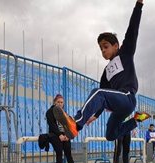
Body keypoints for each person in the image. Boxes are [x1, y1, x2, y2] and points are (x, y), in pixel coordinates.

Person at [58, 0, 150, 141]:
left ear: (116, 46)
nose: (103, 50)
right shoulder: (106, 72)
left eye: (105, 46)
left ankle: (75, 124)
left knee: (98, 92)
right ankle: (136, 120)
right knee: (110, 135)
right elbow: (101, 99)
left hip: (127, 98)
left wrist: (139, 5)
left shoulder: (125, 53)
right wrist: (96, 115)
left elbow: (132, 30)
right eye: (101, 48)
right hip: (119, 107)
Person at [46, 94, 78, 163]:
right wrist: (59, 135)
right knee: (59, 152)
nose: (60, 104)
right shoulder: (50, 112)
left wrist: (67, 135)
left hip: (65, 135)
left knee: (68, 153)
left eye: (61, 102)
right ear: (54, 102)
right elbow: (52, 125)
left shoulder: (64, 113)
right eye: (58, 102)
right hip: (55, 135)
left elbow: (68, 125)